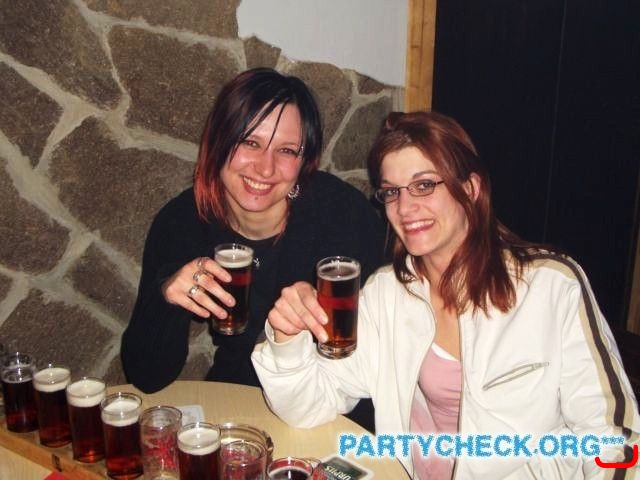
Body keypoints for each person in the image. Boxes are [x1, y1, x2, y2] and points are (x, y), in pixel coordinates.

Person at [252, 111, 640, 479]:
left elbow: (614, 436)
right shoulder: (387, 294)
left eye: (424, 185)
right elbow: (310, 406)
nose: (405, 207)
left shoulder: (550, 287)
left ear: (470, 189)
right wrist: (286, 338)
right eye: (392, 192)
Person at [120, 68, 386, 430]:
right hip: (237, 395)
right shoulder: (183, 221)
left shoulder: (342, 216)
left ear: (305, 162)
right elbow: (146, 376)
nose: (265, 168)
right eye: (250, 142)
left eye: (286, 150)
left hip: (333, 409)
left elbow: (369, 365)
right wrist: (167, 297)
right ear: (217, 142)